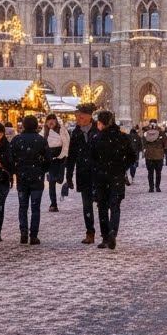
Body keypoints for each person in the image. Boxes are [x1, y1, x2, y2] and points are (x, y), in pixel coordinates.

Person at [89, 109, 136, 249]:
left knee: (102, 207)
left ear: (102, 123)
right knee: (115, 206)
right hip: (116, 177)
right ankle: (113, 232)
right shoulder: (122, 137)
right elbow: (132, 156)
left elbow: (91, 159)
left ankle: (105, 237)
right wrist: (122, 167)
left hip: (101, 178)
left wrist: (96, 170)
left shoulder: (97, 138)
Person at [9, 114, 49, 245]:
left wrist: (16, 170)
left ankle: (23, 232)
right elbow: (48, 160)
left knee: (23, 206)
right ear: (36, 125)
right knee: (35, 207)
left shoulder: (16, 140)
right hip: (37, 178)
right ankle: (34, 235)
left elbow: (10, 158)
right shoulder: (41, 140)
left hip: (22, 177)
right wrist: (42, 169)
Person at [65, 103, 99, 244]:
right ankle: (90, 232)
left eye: (81, 116)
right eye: (77, 116)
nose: (78, 119)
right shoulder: (76, 133)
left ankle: (106, 231)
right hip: (83, 173)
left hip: (99, 173)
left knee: (102, 203)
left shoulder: (99, 130)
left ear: (89, 116)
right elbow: (72, 155)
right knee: (87, 205)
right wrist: (69, 176)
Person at [42, 113, 69, 211]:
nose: (51, 121)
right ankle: (53, 204)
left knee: (60, 179)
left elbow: (66, 142)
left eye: (53, 119)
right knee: (51, 182)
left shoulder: (61, 130)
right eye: (49, 119)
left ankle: (63, 184)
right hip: (50, 160)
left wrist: (64, 155)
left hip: (60, 158)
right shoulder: (44, 131)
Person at [140, 119, 167, 192]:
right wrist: (164, 149)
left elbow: (143, 141)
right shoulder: (161, 132)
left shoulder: (145, 132)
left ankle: (151, 187)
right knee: (158, 173)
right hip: (159, 155)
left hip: (149, 155)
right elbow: (165, 141)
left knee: (150, 173)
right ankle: (157, 187)